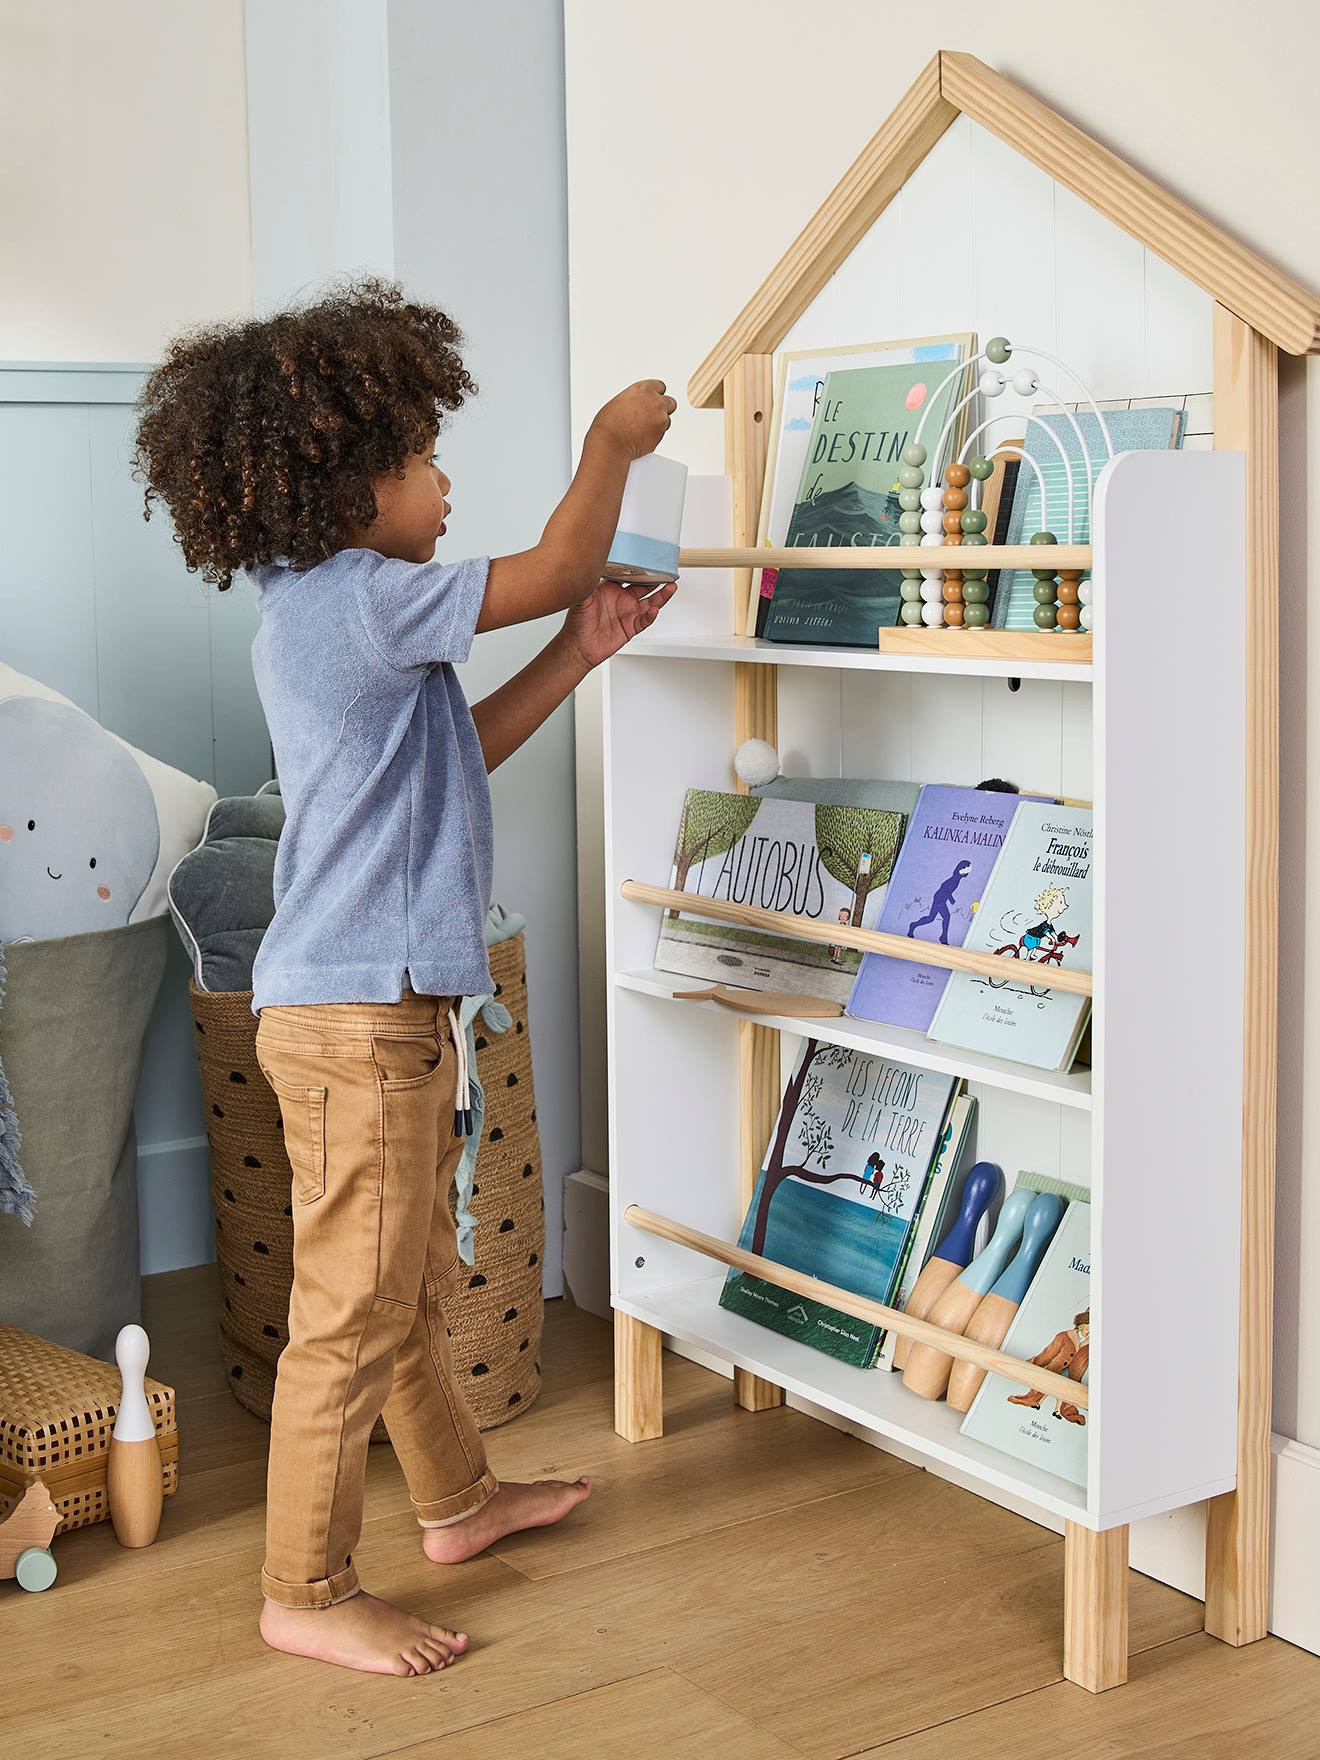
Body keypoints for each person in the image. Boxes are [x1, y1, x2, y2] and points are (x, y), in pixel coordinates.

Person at [133, 279, 677, 1678]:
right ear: (344, 484)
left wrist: (580, 652)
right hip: (358, 1015)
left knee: (409, 1279)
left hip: (377, 1005)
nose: (444, 484)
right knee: (353, 1314)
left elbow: (463, 757)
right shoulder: (360, 602)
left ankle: (460, 1501)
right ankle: (304, 1590)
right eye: (423, 460)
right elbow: (559, 557)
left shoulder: (344, 613)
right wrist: (614, 444)